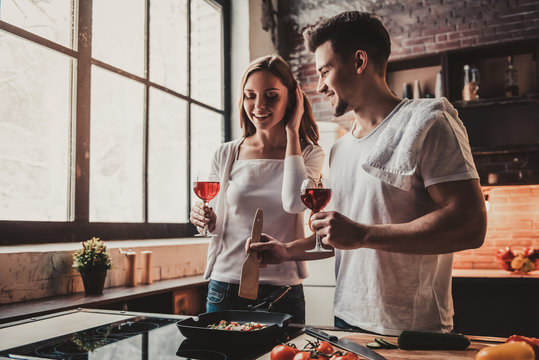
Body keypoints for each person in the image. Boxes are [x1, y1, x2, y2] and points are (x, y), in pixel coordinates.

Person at [250, 11, 487, 335]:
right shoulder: (340, 148)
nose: (319, 86)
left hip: (411, 331)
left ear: (359, 61)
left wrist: (363, 235)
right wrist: (287, 251)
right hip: (346, 320)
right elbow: (343, 233)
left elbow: (471, 225)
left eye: (325, 71)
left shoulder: (429, 121)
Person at [189, 54, 324, 324]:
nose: (259, 106)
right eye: (250, 96)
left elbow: (295, 204)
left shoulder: (310, 153)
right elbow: (217, 224)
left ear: (292, 99)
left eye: (271, 96)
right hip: (225, 286)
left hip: (283, 290)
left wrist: (292, 131)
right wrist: (205, 220)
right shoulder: (226, 153)